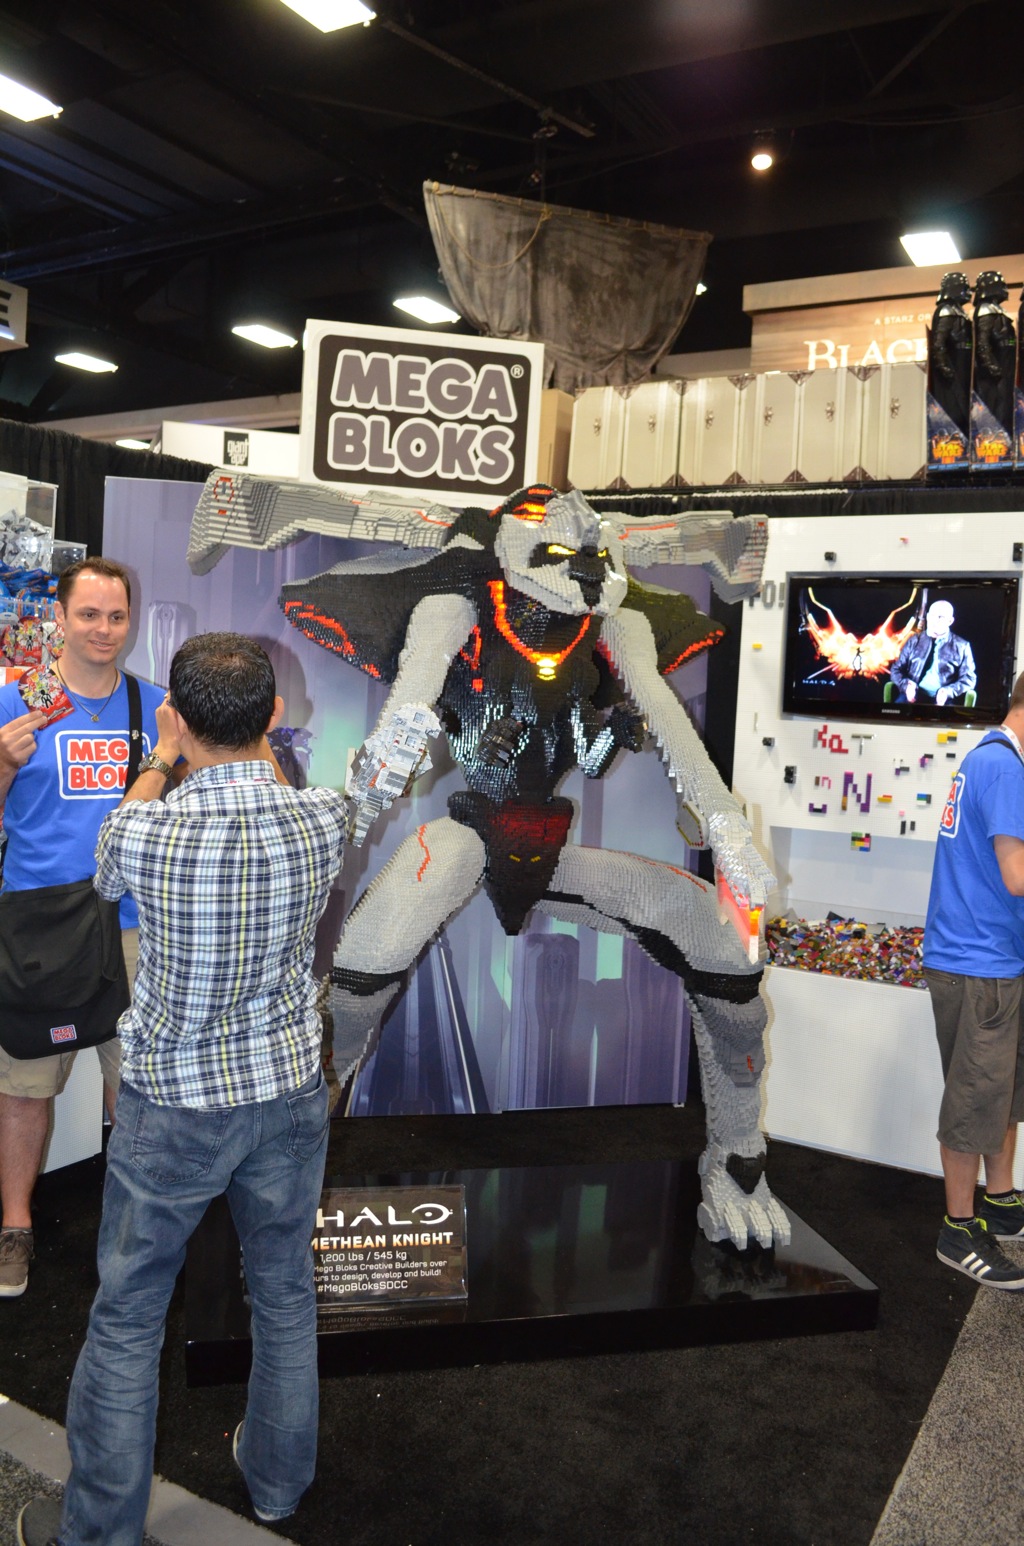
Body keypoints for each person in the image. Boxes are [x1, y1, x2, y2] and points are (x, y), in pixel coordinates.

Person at [17, 631, 347, 1546]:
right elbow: (268, 787)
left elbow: (105, 869)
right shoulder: (323, 817)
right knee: (283, 1294)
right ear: (274, 717)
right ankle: (278, 1487)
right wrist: (239, 746)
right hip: (285, 1094)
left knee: (128, 1315)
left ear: (176, 719)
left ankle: (99, 1531)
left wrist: (163, 758)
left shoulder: (143, 828)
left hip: (172, 1105)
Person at [0, 557, 164, 1299]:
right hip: (38, 924)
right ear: (59, 618)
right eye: (89, 614)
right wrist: (4, 766)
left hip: (133, 926)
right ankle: (15, 1226)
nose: (103, 629)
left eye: (117, 616)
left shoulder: (155, 708)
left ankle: (130, 1232)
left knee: (135, 1087)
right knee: (24, 1085)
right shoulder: (17, 703)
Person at [923, 670, 1024, 1290]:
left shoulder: (990, 760)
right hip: (977, 964)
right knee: (973, 1101)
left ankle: (1001, 1202)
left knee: (1003, 1093)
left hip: (991, 958)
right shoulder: (1004, 768)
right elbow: (1018, 875)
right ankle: (958, 1230)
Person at [889, 598, 976, 706]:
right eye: (932, 615)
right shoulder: (914, 641)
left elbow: (969, 678)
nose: (934, 620)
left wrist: (948, 691)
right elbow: (896, 669)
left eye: (940, 617)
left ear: (950, 621)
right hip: (911, 696)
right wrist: (906, 685)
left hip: (943, 700)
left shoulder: (962, 646)